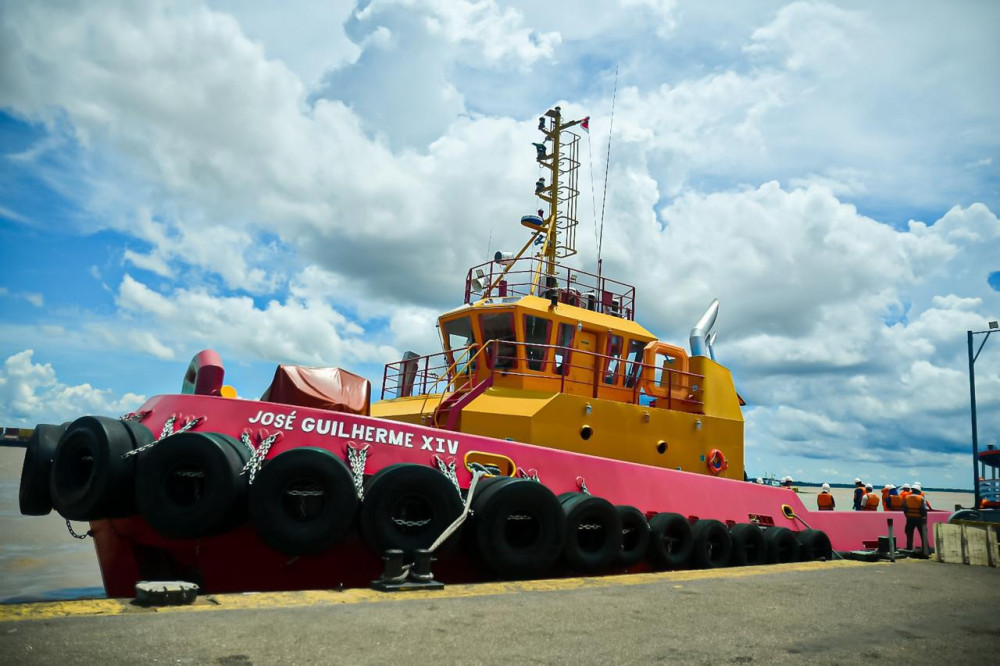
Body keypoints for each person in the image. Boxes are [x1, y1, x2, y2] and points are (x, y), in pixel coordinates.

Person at [903, 484, 930, 556]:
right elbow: (923, 509)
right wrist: (924, 518)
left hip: (909, 519)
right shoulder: (921, 498)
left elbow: (904, 508)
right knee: (923, 534)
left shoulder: (906, 497)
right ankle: (926, 549)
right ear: (919, 491)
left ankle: (909, 549)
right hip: (919, 519)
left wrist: (907, 516)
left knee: (909, 534)